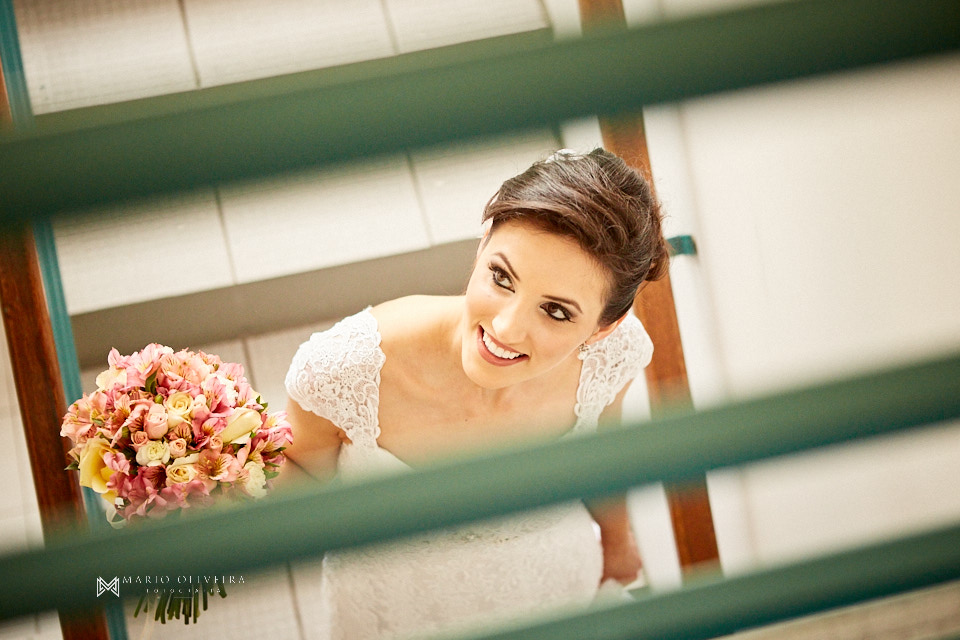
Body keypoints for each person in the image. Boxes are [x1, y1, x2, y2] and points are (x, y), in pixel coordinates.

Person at [282, 147, 669, 639]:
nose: (505, 328)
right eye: (501, 277)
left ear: (604, 328)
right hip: (397, 608)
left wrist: (616, 541)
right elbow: (298, 477)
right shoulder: (345, 368)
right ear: (483, 244)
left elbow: (599, 457)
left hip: (549, 582)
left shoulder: (614, 358)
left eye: (555, 312)